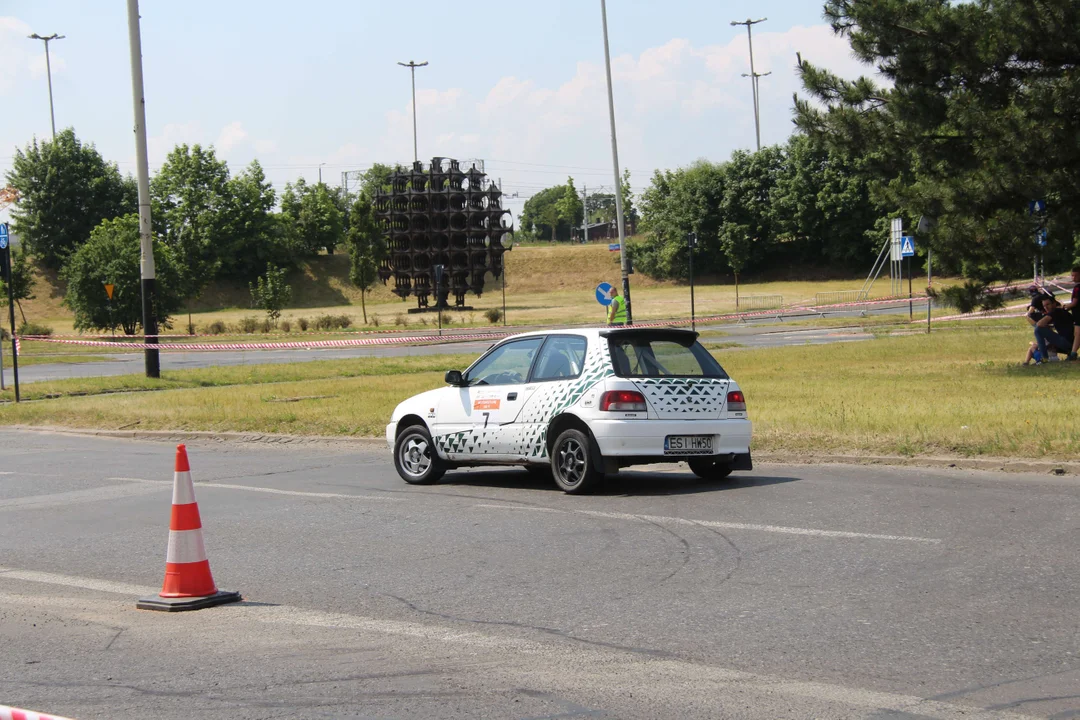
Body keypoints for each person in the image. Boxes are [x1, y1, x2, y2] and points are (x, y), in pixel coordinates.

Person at [1031, 296, 1075, 363]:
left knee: (1038, 330)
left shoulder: (1055, 311)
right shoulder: (1061, 311)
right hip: (1072, 344)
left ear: (1054, 304)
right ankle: (1050, 358)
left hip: (1067, 343)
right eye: (1044, 306)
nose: (1046, 307)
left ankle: (1044, 358)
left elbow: (1039, 324)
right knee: (1038, 345)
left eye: (1048, 304)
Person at [1062, 266, 1080, 360]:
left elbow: (1074, 303)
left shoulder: (1077, 288)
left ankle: (1073, 354)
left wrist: (1064, 307)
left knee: (1077, 334)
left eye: (1076, 276)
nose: (1073, 278)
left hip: (1078, 315)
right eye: (1072, 276)